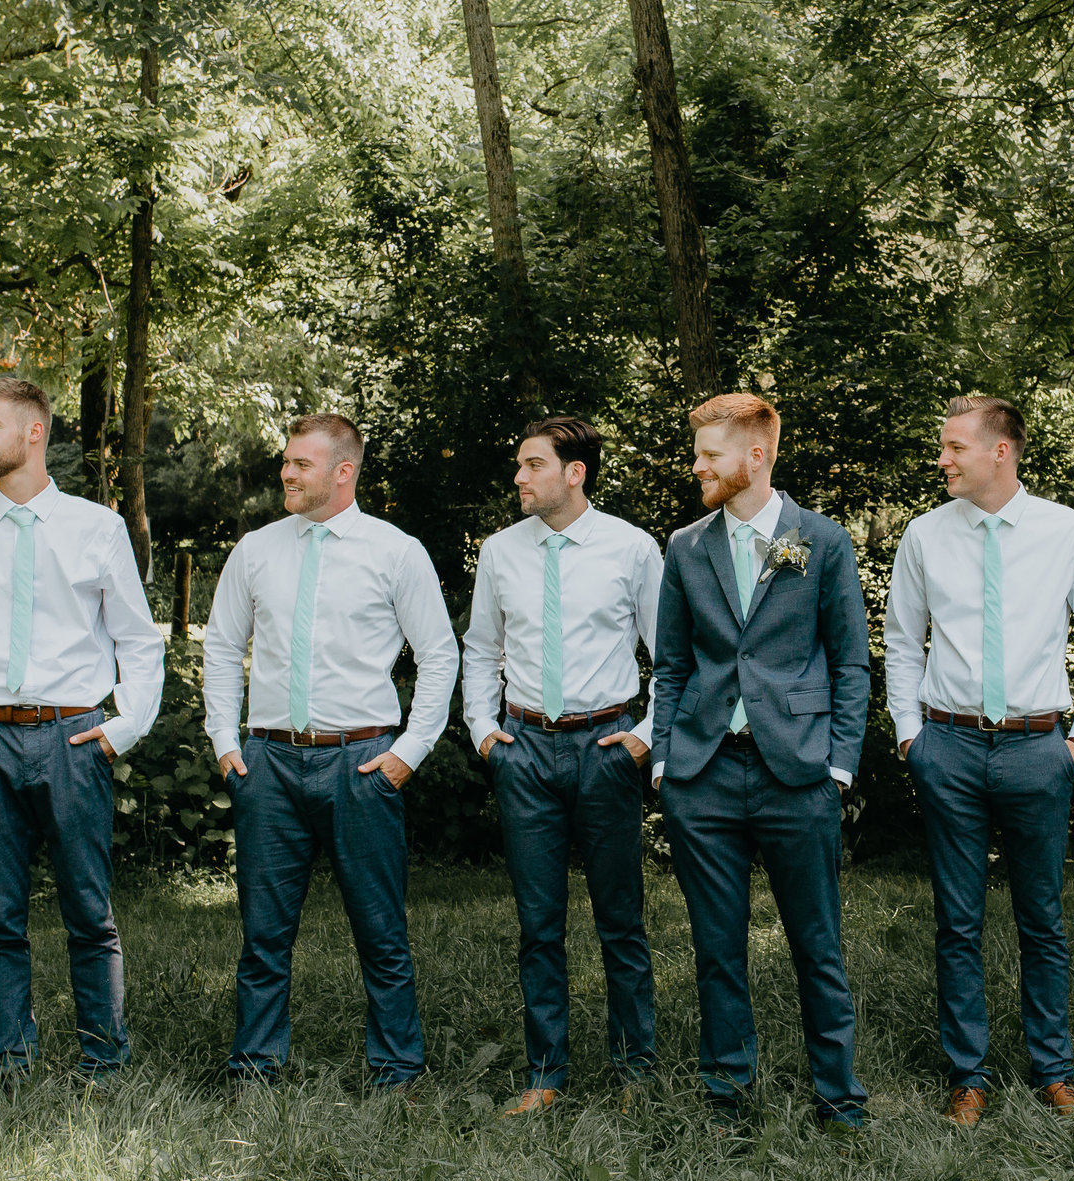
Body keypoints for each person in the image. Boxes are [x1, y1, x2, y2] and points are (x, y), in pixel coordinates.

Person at [0, 378, 165, 1082]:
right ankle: (8, 1060)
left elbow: (138, 641)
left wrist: (121, 728)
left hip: (73, 737)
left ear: (34, 431)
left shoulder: (96, 527)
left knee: (88, 909)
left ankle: (104, 1060)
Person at [883, 395, 1074, 1124]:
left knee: (1041, 917)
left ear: (1001, 451)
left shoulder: (1065, 530)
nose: (941, 458)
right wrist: (909, 734)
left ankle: (1052, 1067)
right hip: (948, 746)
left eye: (955, 446)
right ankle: (969, 1075)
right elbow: (901, 640)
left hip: (1037, 746)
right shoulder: (924, 535)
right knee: (957, 920)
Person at [203, 413, 459, 1087]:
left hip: (362, 761)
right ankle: (255, 1066)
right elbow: (223, 646)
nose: (285, 473)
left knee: (380, 930)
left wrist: (410, 751)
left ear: (343, 472)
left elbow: (439, 652)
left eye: (300, 464)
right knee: (263, 933)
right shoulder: (256, 551)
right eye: (285, 462)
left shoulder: (395, 551)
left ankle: (397, 1068)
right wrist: (225, 740)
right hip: (268, 765)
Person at [649, 393, 872, 1126]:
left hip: (797, 770)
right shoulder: (685, 546)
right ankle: (727, 1095)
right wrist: (665, 761)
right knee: (716, 946)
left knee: (818, 943)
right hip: (703, 772)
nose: (697, 466)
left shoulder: (823, 542)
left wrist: (838, 765)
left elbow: (850, 663)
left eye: (710, 454)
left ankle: (838, 1097)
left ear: (756, 455)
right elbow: (673, 664)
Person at [461, 415, 662, 1113]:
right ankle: (545, 1074)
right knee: (538, 923)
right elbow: (481, 649)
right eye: (519, 465)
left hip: (606, 748)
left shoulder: (631, 549)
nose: (519, 477)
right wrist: (485, 731)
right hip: (524, 751)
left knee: (621, 919)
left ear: (574, 472)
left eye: (532, 465)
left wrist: (646, 736)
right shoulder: (500, 552)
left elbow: (673, 655)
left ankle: (636, 1073)